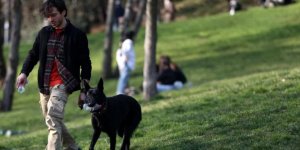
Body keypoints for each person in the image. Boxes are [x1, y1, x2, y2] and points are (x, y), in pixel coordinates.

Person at [15, 0, 91, 149]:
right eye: (48, 16)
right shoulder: (44, 33)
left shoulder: (77, 35)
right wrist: (23, 73)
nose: (51, 19)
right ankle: (72, 146)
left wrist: (84, 90)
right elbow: (33, 55)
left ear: (63, 12)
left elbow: (85, 63)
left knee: (53, 117)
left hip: (64, 84)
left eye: (54, 15)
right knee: (53, 120)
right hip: (44, 84)